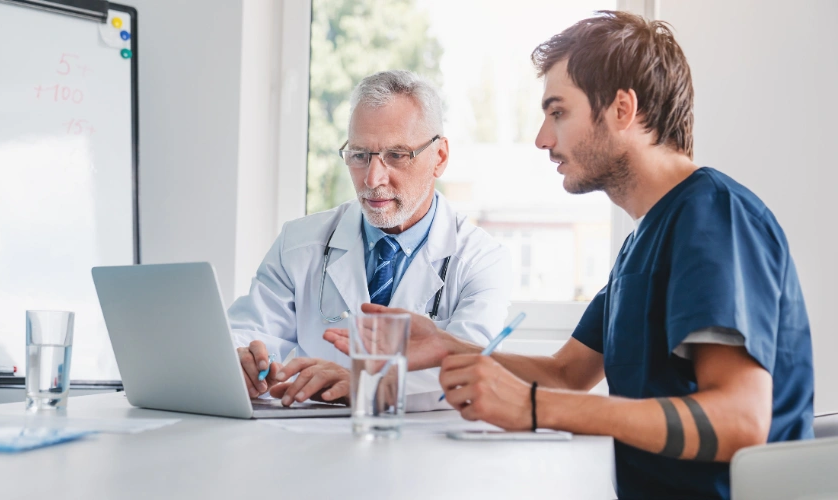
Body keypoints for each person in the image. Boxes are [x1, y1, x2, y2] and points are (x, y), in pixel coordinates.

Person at [325, 12, 813, 499]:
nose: (542, 137)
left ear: (622, 109)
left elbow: (741, 420)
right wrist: (446, 345)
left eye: (558, 112)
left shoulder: (712, 218)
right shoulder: (647, 240)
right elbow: (567, 374)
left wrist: (533, 408)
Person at [229, 70, 512, 411]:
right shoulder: (300, 243)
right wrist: (243, 360)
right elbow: (245, 332)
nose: (373, 178)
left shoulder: (481, 259)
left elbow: (472, 368)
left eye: (396, 155)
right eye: (360, 155)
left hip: (420, 451)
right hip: (309, 446)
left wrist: (367, 386)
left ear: (439, 157)